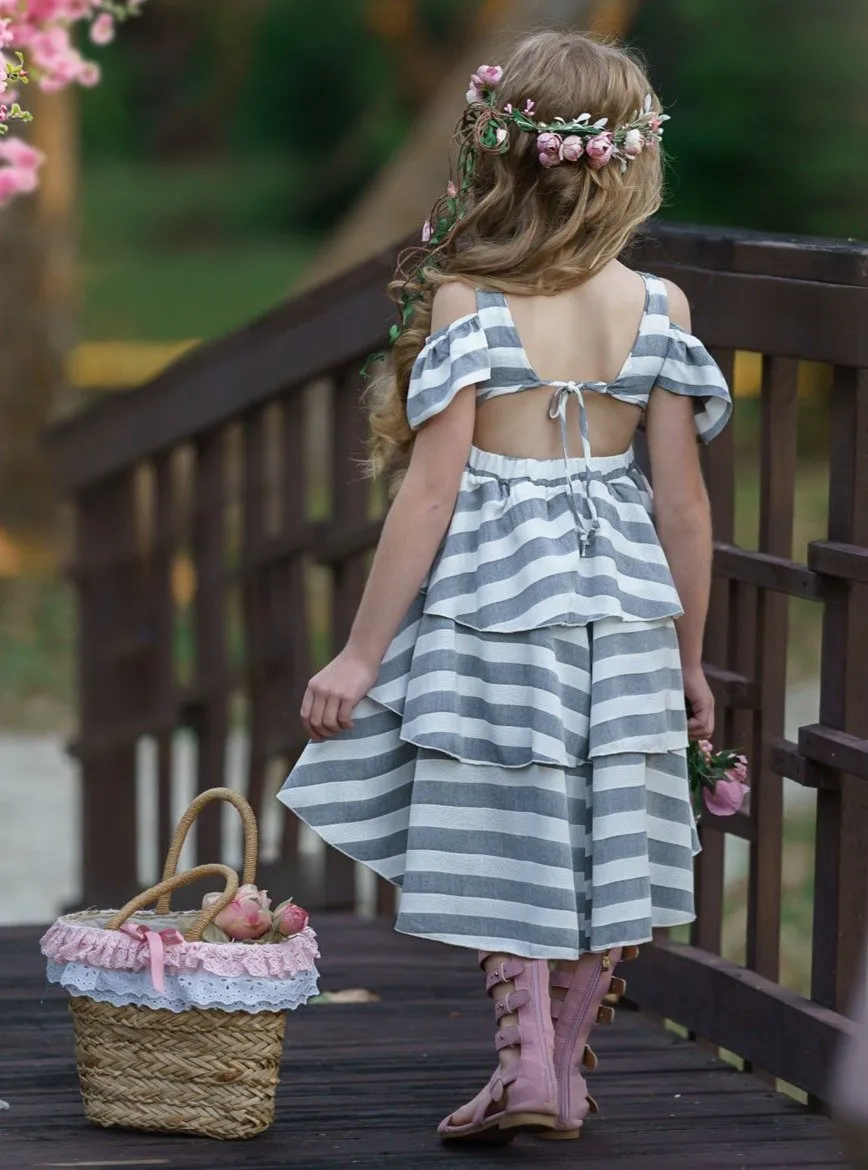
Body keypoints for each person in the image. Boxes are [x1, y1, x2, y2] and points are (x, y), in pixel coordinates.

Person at [278, 29, 731, 1144]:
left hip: (494, 599)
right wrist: (686, 659)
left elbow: (428, 496)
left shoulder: (468, 302)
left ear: (502, 154)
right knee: (606, 822)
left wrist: (362, 653)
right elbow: (682, 504)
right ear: (629, 162)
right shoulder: (660, 310)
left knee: (505, 815)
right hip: (624, 604)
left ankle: (526, 1061)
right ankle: (560, 1070)